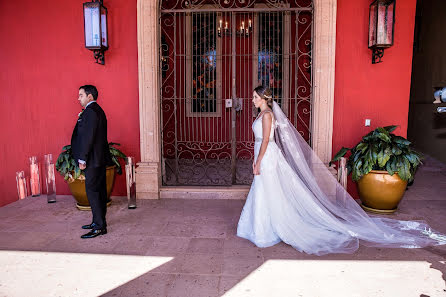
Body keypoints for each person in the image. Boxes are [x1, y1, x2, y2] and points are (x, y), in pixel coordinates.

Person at [237, 85, 446, 255]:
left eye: (255, 96)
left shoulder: (266, 115)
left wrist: (258, 161)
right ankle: (262, 227)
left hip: (266, 155)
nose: (253, 99)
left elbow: (265, 140)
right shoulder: (265, 113)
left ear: (264, 98)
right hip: (265, 154)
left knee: (268, 189)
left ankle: (268, 230)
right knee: (266, 190)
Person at [71, 85, 112, 239]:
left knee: (94, 193)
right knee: (98, 192)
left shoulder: (90, 112)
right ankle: (97, 222)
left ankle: (99, 227)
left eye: (81, 95)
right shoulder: (97, 110)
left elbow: (88, 137)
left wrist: (82, 158)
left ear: (89, 96)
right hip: (98, 158)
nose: (78, 98)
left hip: (93, 160)